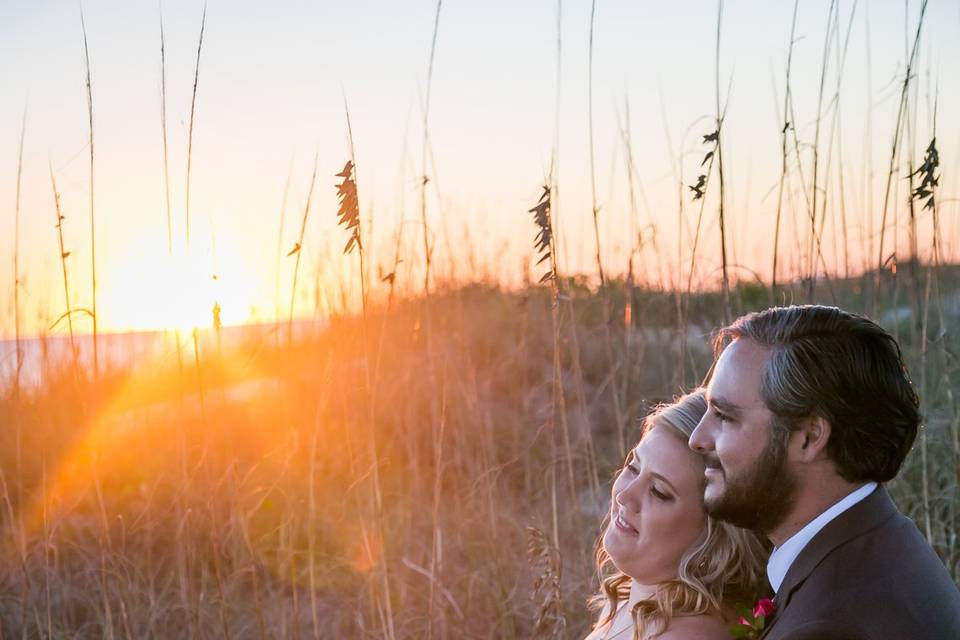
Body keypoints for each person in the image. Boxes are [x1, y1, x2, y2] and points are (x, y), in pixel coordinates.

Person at [689, 305, 960, 639]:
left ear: (809, 437)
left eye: (725, 416)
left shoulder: (828, 624)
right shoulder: (880, 543)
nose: (696, 439)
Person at [586, 389, 769, 640]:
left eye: (658, 491)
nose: (624, 495)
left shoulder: (686, 634)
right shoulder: (628, 598)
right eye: (633, 467)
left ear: (712, 532)